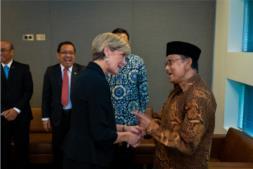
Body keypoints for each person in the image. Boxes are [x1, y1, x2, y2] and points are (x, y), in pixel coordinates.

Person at [63, 32, 142, 169]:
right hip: (88, 159)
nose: (124, 63)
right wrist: (127, 136)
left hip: (78, 155)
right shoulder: (96, 81)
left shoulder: (87, 75)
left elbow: (91, 122)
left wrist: (124, 127)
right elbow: (100, 134)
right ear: (107, 51)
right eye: (122, 55)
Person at [135, 41, 217, 169]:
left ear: (188, 62)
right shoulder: (177, 91)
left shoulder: (199, 97)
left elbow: (187, 144)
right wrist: (149, 117)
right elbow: (166, 124)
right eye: (166, 63)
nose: (166, 68)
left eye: (170, 62)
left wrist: (150, 126)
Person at [107, 28, 149, 169]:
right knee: (109, 159)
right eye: (117, 39)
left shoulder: (138, 62)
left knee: (128, 161)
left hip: (131, 120)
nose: (121, 42)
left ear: (128, 42)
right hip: (110, 121)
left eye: (123, 39)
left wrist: (142, 119)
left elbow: (143, 92)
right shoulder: (106, 62)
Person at [41, 41, 84, 169]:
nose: (68, 55)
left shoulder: (82, 70)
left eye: (71, 53)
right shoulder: (50, 71)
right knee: (58, 148)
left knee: (76, 148)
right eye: (64, 52)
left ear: (74, 55)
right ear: (58, 55)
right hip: (58, 116)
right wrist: (45, 117)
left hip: (77, 117)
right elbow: (46, 96)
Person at [1, 40, 33, 169]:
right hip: (1, 117)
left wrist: (15, 110)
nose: (0, 52)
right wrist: (3, 111)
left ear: (12, 52)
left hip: (21, 117)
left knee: (22, 151)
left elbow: (28, 91)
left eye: (3, 49)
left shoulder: (23, 68)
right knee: (3, 152)